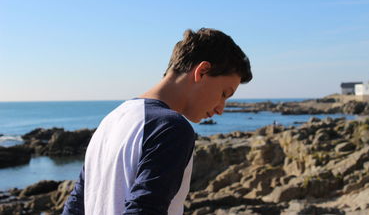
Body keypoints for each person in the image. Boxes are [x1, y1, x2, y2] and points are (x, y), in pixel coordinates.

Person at [62, 28, 252, 215]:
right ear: (202, 71)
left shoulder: (111, 120)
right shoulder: (170, 128)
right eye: (224, 94)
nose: (221, 109)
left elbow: (77, 204)